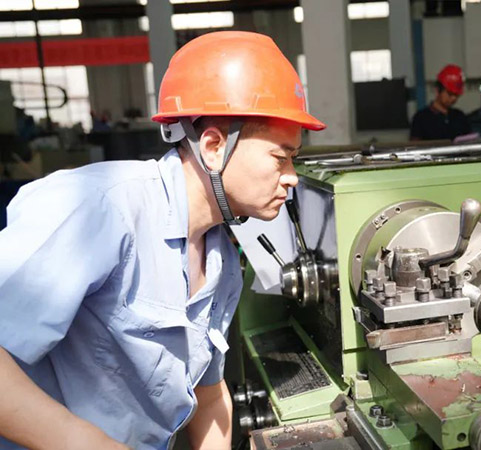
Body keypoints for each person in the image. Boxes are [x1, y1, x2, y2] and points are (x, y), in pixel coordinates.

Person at [0, 31, 325, 449]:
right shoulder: (98, 207)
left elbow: (208, 397)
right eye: (280, 158)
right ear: (213, 146)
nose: (292, 177)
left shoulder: (222, 262)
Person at [409, 64, 472, 141]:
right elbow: (415, 145)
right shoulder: (421, 119)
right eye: (450, 94)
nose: (453, 98)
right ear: (438, 90)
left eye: (456, 95)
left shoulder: (460, 117)